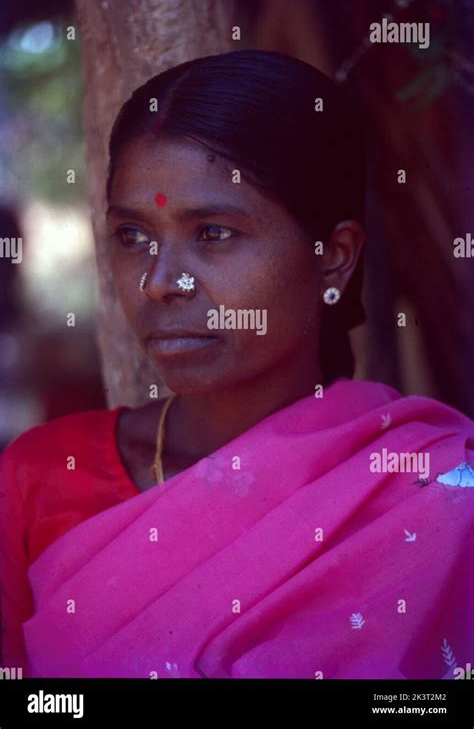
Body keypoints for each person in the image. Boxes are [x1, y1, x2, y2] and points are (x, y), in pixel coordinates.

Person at [1, 50, 473, 679]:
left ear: (332, 258)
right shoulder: (39, 479)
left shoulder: (434, 490)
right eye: (133, 236)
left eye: (213, 232)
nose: (159, 282)